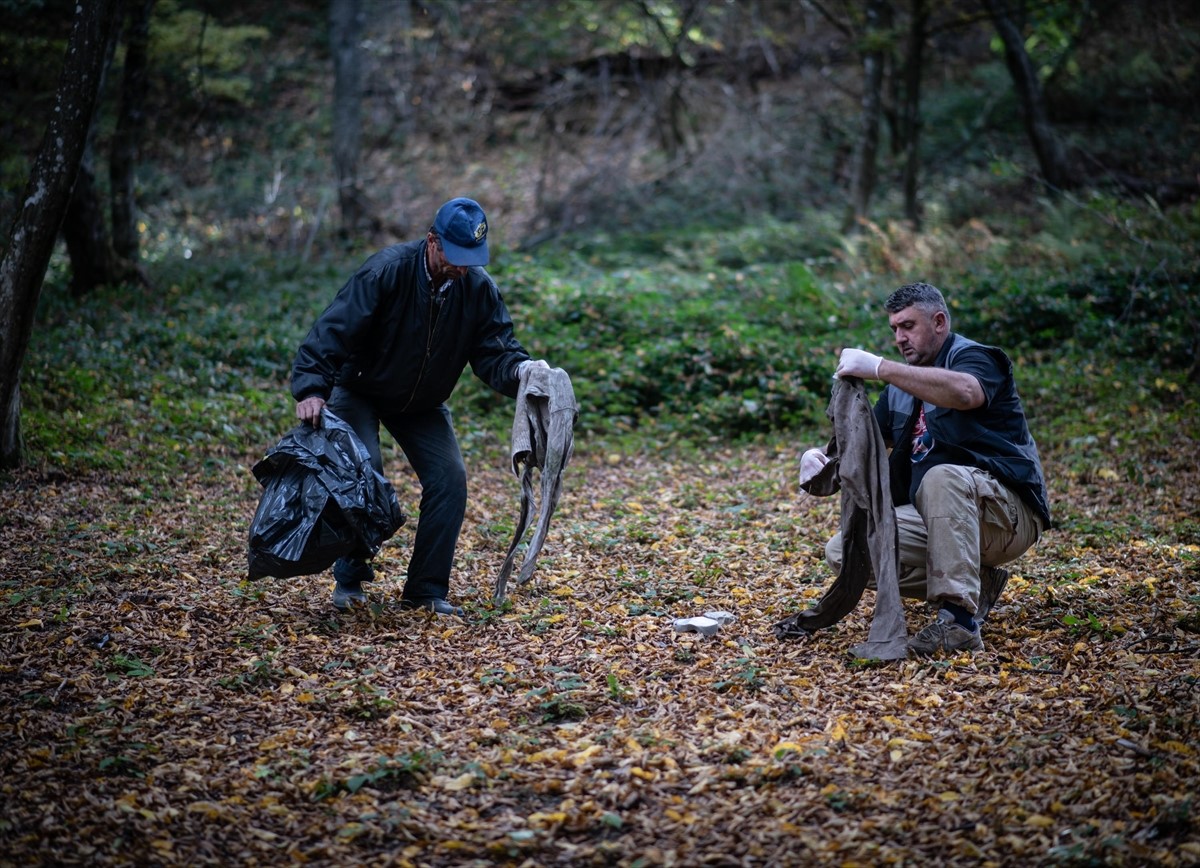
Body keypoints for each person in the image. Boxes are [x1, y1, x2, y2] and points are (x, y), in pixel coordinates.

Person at [291, 197, 550, 614]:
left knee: (450, 479)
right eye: (456, 256)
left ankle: (425, 591)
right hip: (360, 389)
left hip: (422, 402)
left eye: (472, 257)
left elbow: (495, 352)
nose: (463, 267)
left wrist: (523, 372)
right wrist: (311, 388)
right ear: (432, 241)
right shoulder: (386, 271)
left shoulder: (478, 288)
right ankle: (350, 579)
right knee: (363, 473)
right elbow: (332, 330)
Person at [799, 282, 1050, 655]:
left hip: (1008, 517)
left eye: (908, 326)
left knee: (941, 475)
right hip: (945, 521)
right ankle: (975, 584)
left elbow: (966, 393)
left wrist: (881, 368)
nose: (900, 338)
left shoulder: (978, 358)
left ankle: (959, 624)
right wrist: (817, 458)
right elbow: (860, 445)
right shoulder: (899, 387)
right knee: (846, 552)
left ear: (939, 322)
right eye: (894, 329)